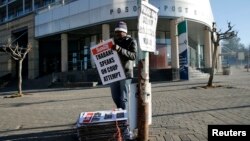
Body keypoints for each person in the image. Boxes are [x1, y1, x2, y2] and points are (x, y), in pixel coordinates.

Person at [110, 21, 137, 110]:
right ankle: (120, 113)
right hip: (114, 72)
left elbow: (134, 56)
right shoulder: (113, 41)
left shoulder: (131, 41)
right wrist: (102, 45)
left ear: (125, 31)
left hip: (126, 73)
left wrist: (120, 49)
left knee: (124, 98)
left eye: (119, 31)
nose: (117, 33)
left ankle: (125, 117)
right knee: (115, 96)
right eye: (116, 31)